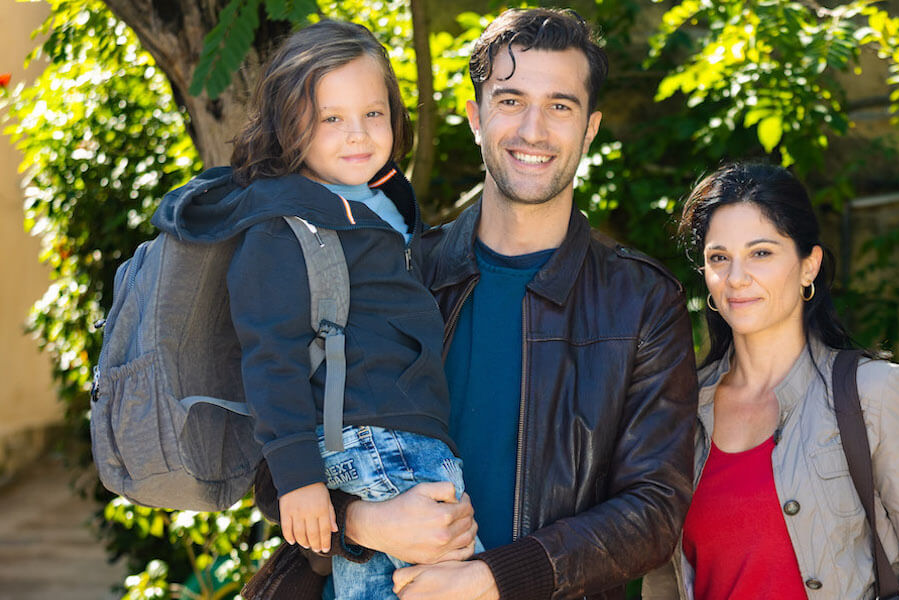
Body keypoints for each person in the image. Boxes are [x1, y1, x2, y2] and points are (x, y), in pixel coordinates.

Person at [257, 8, 696, 600]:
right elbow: (273, 463)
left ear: (590, 128)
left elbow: (654, 514)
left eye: (560, 106)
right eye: (511, 101)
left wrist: (492, 578)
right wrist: (363, 522)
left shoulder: (641, 303)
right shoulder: (396, 270)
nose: (533, 130)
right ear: (475, 117)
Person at [155, 20, 479, 599]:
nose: (357, 134)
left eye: (373, 114)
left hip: (401, 439)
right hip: (376, 446)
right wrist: (297, 478)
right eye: (331, 118)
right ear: (290, 125)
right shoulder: (283, 227)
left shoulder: (374, 199)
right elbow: (270, 356)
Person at [642, 162, 899, 599]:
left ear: (808, 266)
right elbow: (664, 581)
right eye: (719, 257)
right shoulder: (681, 408)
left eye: (761, 253)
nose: (736, 278)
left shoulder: (874, 393)